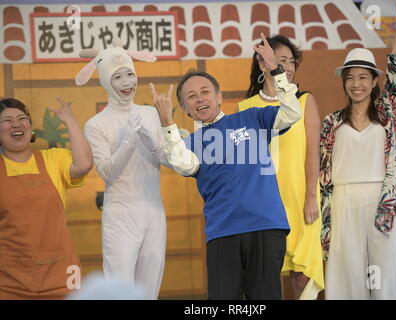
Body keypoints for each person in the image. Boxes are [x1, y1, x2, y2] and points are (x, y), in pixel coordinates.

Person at [149, 34, 301, 300]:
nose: (200, 99)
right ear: (185, 108)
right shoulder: (189, 143)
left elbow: (291, 114)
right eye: (191, 97)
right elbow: (185, 166)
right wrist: (166, 123)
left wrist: (276, 71)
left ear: (218, 96)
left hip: (265, 226)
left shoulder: (251, 117)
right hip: (223, 232)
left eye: (205, 92)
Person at [320, 0, 396, 300]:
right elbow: (323, 174)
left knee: (383, 274)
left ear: (374, 82)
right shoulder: (332, 122)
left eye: (363, 77)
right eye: (350, 77)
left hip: (380, 203)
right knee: (347, 276)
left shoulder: (386, 114)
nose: (356, 84)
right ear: (344, 83)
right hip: (343, 204)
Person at [76, 38, 171, 299]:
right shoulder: (96, 124)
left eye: (130, 74)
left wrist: (155, 144)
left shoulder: (150, 114)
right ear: (106, 81)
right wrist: (128, 140)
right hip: (120, 215)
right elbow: (106, 172)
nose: (127, 83)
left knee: (149, 291)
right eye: (118, 77)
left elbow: (168, 160)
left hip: (154, 212)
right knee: (119, 292)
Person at [238, 35, 323, 300]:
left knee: (303, 277)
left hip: (301, 198)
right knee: (266, 277)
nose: (288, 67)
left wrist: (311, 196)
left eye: (291, 61)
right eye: (280, 60)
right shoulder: (245, 108)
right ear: (263, 64)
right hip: (264, 203)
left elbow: (312, 154)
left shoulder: (304, 100)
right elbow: (245, 164)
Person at [0, 97, 92, 299]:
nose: (16, 123)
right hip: (9, 282)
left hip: (63, 276)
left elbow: (84, 164)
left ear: (30, 127)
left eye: (22, 118)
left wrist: (71, 122)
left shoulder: (53, 159)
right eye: (6, 120)